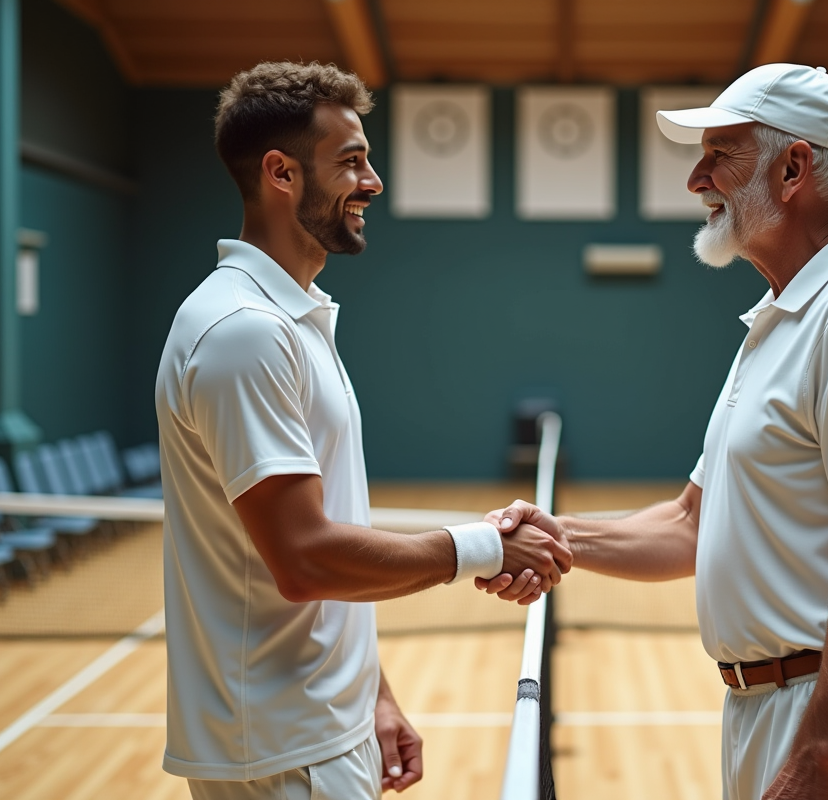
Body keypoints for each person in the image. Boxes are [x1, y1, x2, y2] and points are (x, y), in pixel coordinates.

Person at [481, 64, 828, 800]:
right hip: (773, 711)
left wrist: (818, 754)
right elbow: (692, 522)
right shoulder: (776, 324)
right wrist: (555, 536)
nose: (697, 179)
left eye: (720, 154)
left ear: (793, 168)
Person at [155, 61, 570, 800]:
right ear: (281, 175)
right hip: (284, 753)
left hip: (322, 728)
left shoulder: (289, 318)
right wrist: (483, 547)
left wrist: (370, 693)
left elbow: (324, 541)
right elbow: (306, 560)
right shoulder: (243, 332)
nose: (373, 182)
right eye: (351, 162)